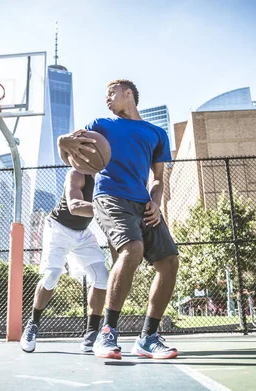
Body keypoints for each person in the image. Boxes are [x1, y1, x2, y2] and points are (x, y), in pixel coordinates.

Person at [57, 79, 179, 360]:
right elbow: (70, 149)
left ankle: (148, 337)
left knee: (169, 261)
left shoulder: (156, 133)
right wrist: (63, 141)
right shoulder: (100, 124)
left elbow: (159, 178)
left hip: (143, 202)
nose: (107, 99)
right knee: (132, 250)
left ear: (129, 94)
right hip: (109, 196)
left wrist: (156, 202)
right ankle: (107, 332)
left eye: (111, 93)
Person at [20, 169, 109, 353]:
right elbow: (74, 205)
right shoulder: (76, 174)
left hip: (83, 234)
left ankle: (91, 333)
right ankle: (33, 324)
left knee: (102, 277)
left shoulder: (107, 178)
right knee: (52, 275)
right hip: (58, 228)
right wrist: (110, 208)